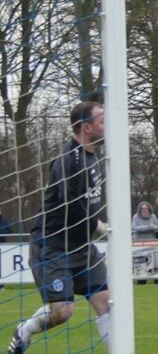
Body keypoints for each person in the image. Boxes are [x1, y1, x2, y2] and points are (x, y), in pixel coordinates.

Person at [8, 102, 112, 353]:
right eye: (102, 121)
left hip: (82, 247)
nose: (107, 125)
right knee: (63, 312)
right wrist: (98, 226)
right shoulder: (70, 160)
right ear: (87, 127)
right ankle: (24, 331)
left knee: (106, 303)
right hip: (54, 247)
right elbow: (73, 206)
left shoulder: (93, 155)